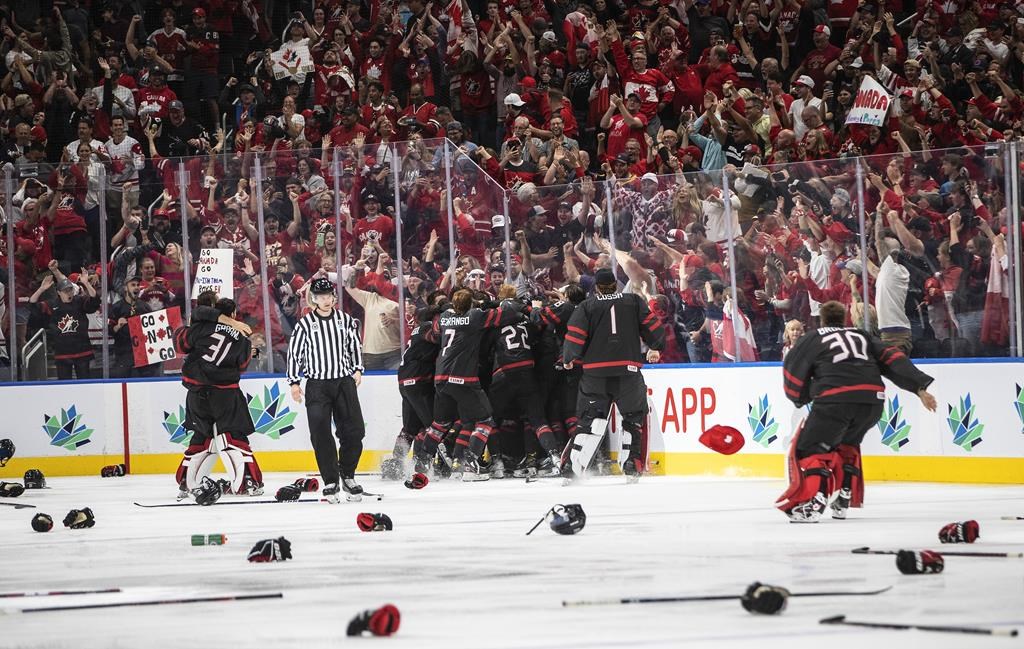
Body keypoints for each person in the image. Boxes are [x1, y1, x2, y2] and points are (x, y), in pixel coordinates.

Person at [778, 300, 938, 523]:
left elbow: (794, 366)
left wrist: (800, 396)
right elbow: (892, 357)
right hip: (872, 402)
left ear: (822, 320)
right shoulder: (861, 336)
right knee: (847, 445)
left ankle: (815, 503)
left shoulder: (813, 337)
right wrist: (918, 387)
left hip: (835, 400)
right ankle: (843, 498)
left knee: (810, 448)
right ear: (844, 319)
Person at [562, 267, 665, 481]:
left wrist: (569, 357)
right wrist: (656, 346)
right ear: (616, 285)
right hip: (628, 371)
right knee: (633, 419)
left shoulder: (587, 306)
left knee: (590, 421)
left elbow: (575, 334)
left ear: (597, 287)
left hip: (595, 373)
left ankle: (571, 468)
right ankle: (632, 466)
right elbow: (653, 327)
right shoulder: (633, 301)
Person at [414, 287, 521, 481]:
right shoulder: (475, 316)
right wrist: (493, 302)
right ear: (470, 304)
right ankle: (470, 465)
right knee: (485, 420)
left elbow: (436, 328)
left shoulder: (445, 317)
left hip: (441, 378)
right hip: (463, 378)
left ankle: (422, 463)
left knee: (440, 424)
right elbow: (508, 312)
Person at [173, 293, 262, 500]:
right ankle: (248, 481)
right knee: (233, 437)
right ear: (233, 314)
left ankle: (187, 482)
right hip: (225, 394)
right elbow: (242, 366)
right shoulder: (242, 338)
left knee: (202, 437)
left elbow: (180, 344)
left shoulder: (200, 328)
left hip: (196, 393)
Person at [287, 277, 367, 503]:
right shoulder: (305, 324)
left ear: (333, 297)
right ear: (313, 299)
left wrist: (357, 369)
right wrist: (294, 382)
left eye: (328, 296)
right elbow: (295, 353)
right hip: (317, 385)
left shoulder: (345, 320)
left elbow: (354, 346)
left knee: (354, 431)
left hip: (344, 383)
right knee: (320, 432)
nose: (325, 300)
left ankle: (347, 475)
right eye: (320, 296)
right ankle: (331, 481)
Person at [28, 262, 100, 380]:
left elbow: (94, 301)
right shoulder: (53, 305)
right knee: (64, 384)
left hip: (82, 350)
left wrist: (86, 283)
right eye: (65, 290)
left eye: (70, 290)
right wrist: (41, 289)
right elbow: (32, 304)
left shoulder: (79, 301)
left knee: (85, 383)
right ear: (59, 292)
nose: (69, 292)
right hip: (63, 352)